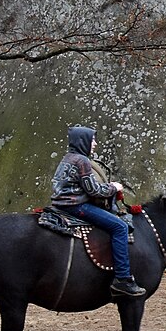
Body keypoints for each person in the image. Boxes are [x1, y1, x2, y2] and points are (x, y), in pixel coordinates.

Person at [51, 125, 144, 297]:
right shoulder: (82, 161)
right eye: (92, 140)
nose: (95, 144)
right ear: (83, 141)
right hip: (76, 206)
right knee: (120, 227)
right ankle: (122, 279)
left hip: (61, 205)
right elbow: (93, 190)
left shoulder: (68, 158)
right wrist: (113, 187)